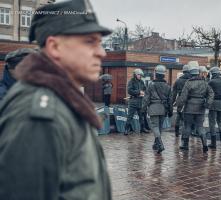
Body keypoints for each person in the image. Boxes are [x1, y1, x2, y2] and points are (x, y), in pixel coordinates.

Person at [0, 0, 112, 199]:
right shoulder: (41, 117)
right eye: (89, 41)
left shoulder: (65, 102)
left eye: (100, 42)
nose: (101, 52)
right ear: (54, 47)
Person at [177, 61, 214, 153]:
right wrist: (207, 104)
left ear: (190, 72)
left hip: (189, 107)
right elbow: (211, 93)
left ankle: (185, 145)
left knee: (187, 126)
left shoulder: (188, 83)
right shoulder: (205, 83)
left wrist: (179, 107)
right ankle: (204, 144)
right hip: (201, 108)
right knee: (200, 127)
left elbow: (183, 97)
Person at [142, 65, 173, 154]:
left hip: (153, 108)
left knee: (155, 127)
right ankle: (156, 144)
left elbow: (146, 99)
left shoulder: (151, 85)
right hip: (163, 109)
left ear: (156, 74)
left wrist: (143, 109)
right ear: (164, 75)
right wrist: (170, 111)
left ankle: (160, 144)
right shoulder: (168, 86)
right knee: (159, 128)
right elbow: (170, 100)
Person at [125, 68, 149, 134]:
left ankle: (142, 128)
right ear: (135, 75)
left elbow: (145, 89)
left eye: (140, 75)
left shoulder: (141, 82)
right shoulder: (131, 81)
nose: (140, 76)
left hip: (140, 101)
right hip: (133, 101)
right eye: (139, 75)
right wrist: (139, 92)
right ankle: (126, 129)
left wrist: (144, 92)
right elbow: (129, 91)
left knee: (142, 116)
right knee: (130, 116)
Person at [172, 64, 191, 137]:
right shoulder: (191, 80)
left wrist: (172, 102)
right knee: (186, 117)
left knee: (179, 115)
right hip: (188, 99)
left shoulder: (178, 80)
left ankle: (176, 132)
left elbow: (174, 93)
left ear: (183, 71)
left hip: (179, 99)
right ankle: (185, 133)